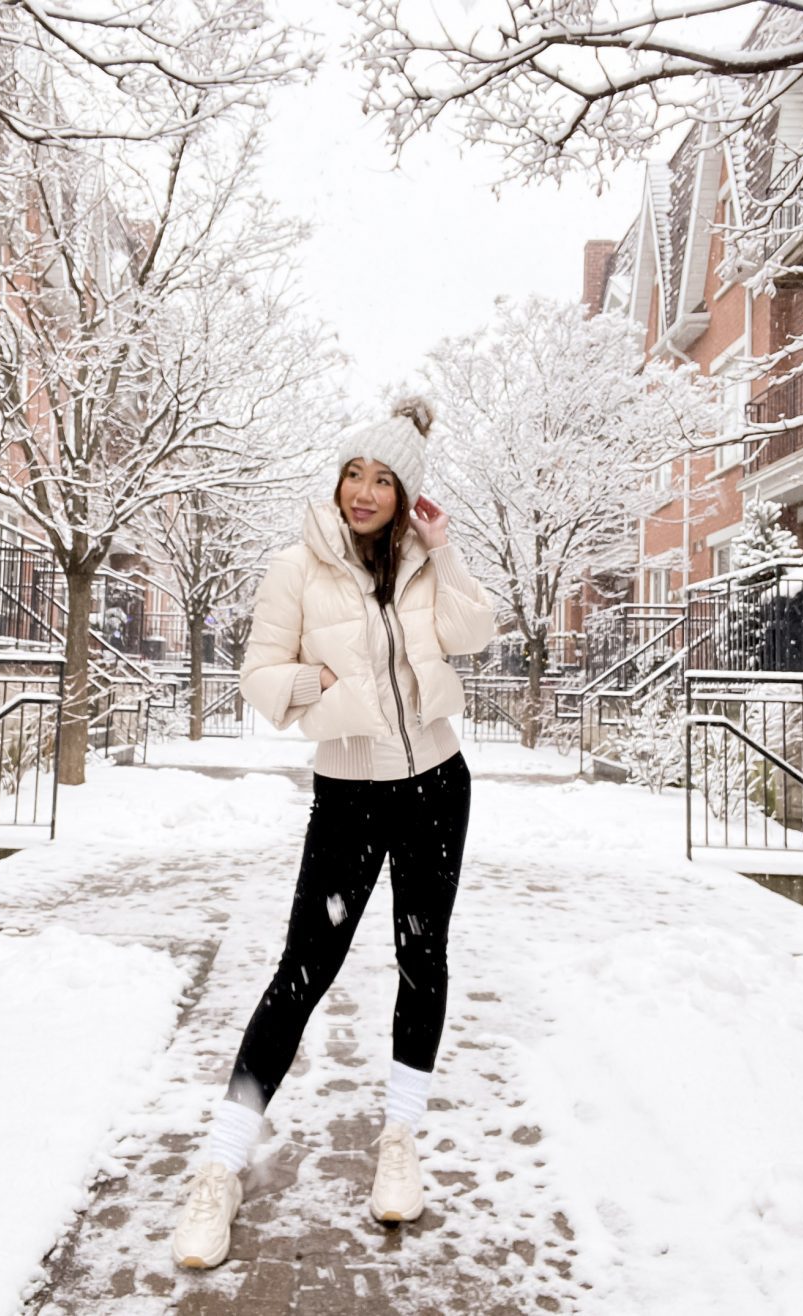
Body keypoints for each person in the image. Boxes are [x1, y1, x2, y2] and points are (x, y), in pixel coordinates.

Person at [171, 397, 494, 1269]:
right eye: (355, 471)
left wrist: (445, 545)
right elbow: (258, 675)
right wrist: (312, 687)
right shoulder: (298, 567)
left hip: (434, 784)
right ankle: (221, 1165)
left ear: (404, 495)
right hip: (349, 793)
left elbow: (478, 631)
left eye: (384, 479)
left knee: (423, 958)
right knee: (302, 970)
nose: (363, 490)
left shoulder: (427, 567)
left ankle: (399, 1139)